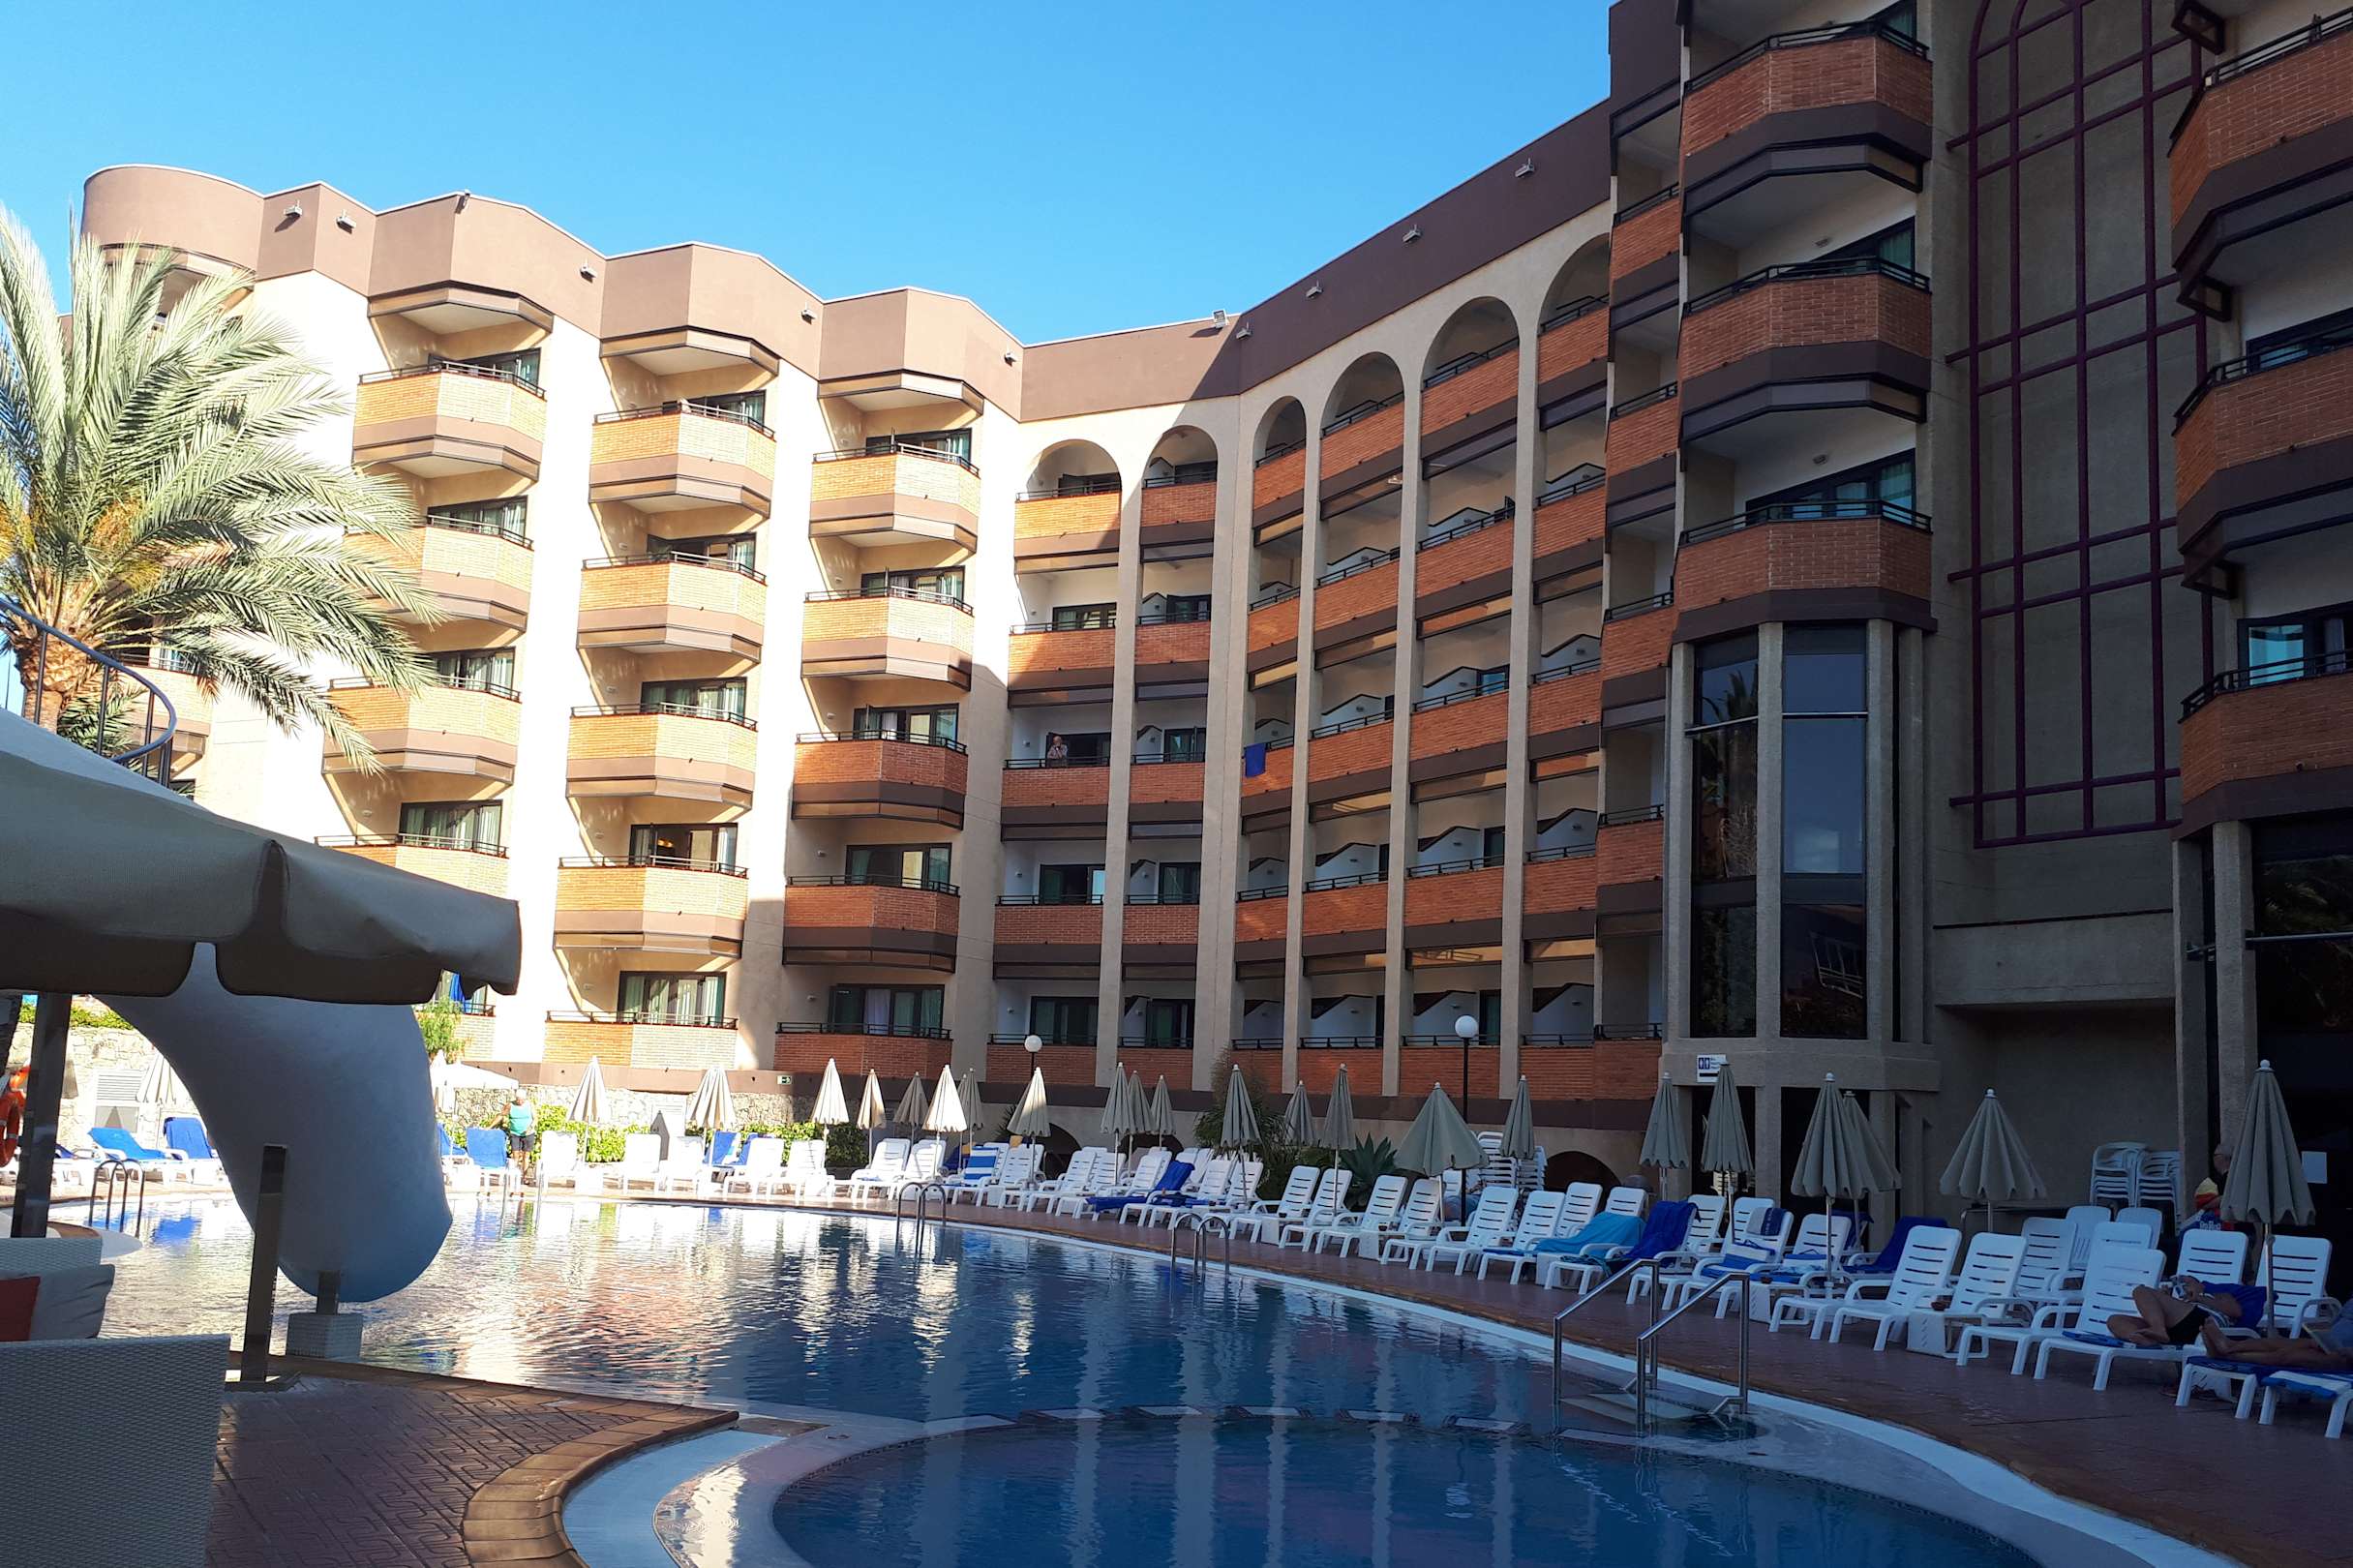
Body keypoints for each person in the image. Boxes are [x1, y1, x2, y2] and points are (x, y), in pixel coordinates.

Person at [2105, 1275, 2261, 1348]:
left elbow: (2236, 1312)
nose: (2183, 1284)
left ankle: (2158, 1329)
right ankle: (2149, 1340)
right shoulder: (2182, 1301)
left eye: (2187, 1281)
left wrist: (2199, 1296)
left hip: (2204, 1323)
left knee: (2140, 1291)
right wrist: (2165, 1298)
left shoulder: (2218, 1294)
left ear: (2199, 1283)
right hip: (2176, 1329)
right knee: (2114, 1320)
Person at [2198, 1304, 2353, 1371]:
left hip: (2344, 1359)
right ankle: (2230, 1346)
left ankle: (2226, 1356)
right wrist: (2323, 1337)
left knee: (2290, 1356)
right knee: (2281, 1343)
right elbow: (2336, 1323)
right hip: (2333, 1346)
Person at [2185, 1142, 2234, 1231]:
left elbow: (2227, 1198)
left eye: (2215, 1155)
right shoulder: (2230, 1178)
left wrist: (2205, 1206)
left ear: (2222, 1158)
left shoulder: (2228, 1178)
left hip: (2228, 1226)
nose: (2213, 1159)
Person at [504, 1092, 536, 1172]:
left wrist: (530, 1127)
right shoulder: (510, 1105)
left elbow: (535, 1118)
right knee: (515, 1156)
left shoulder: (530, 1105)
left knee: (526, 1156)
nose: (520, 1102)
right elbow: (502, 1115)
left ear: (525, 1099)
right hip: (515, 1133)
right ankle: (514, 1175)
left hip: (528, 1134)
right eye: (518, 1100)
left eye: (522, 1100)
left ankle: (524, 1176)